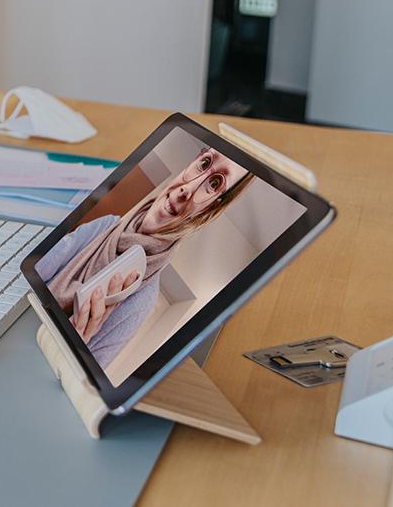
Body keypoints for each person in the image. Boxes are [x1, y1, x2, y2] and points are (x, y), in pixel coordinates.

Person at [36, 148, 254, 367]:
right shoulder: (106, 224)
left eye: (214, 184)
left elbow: (86, 373)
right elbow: (35, 271)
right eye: (204, 163)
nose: (187, 189)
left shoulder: (143, 300)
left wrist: (72, 351)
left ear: (209, 210)